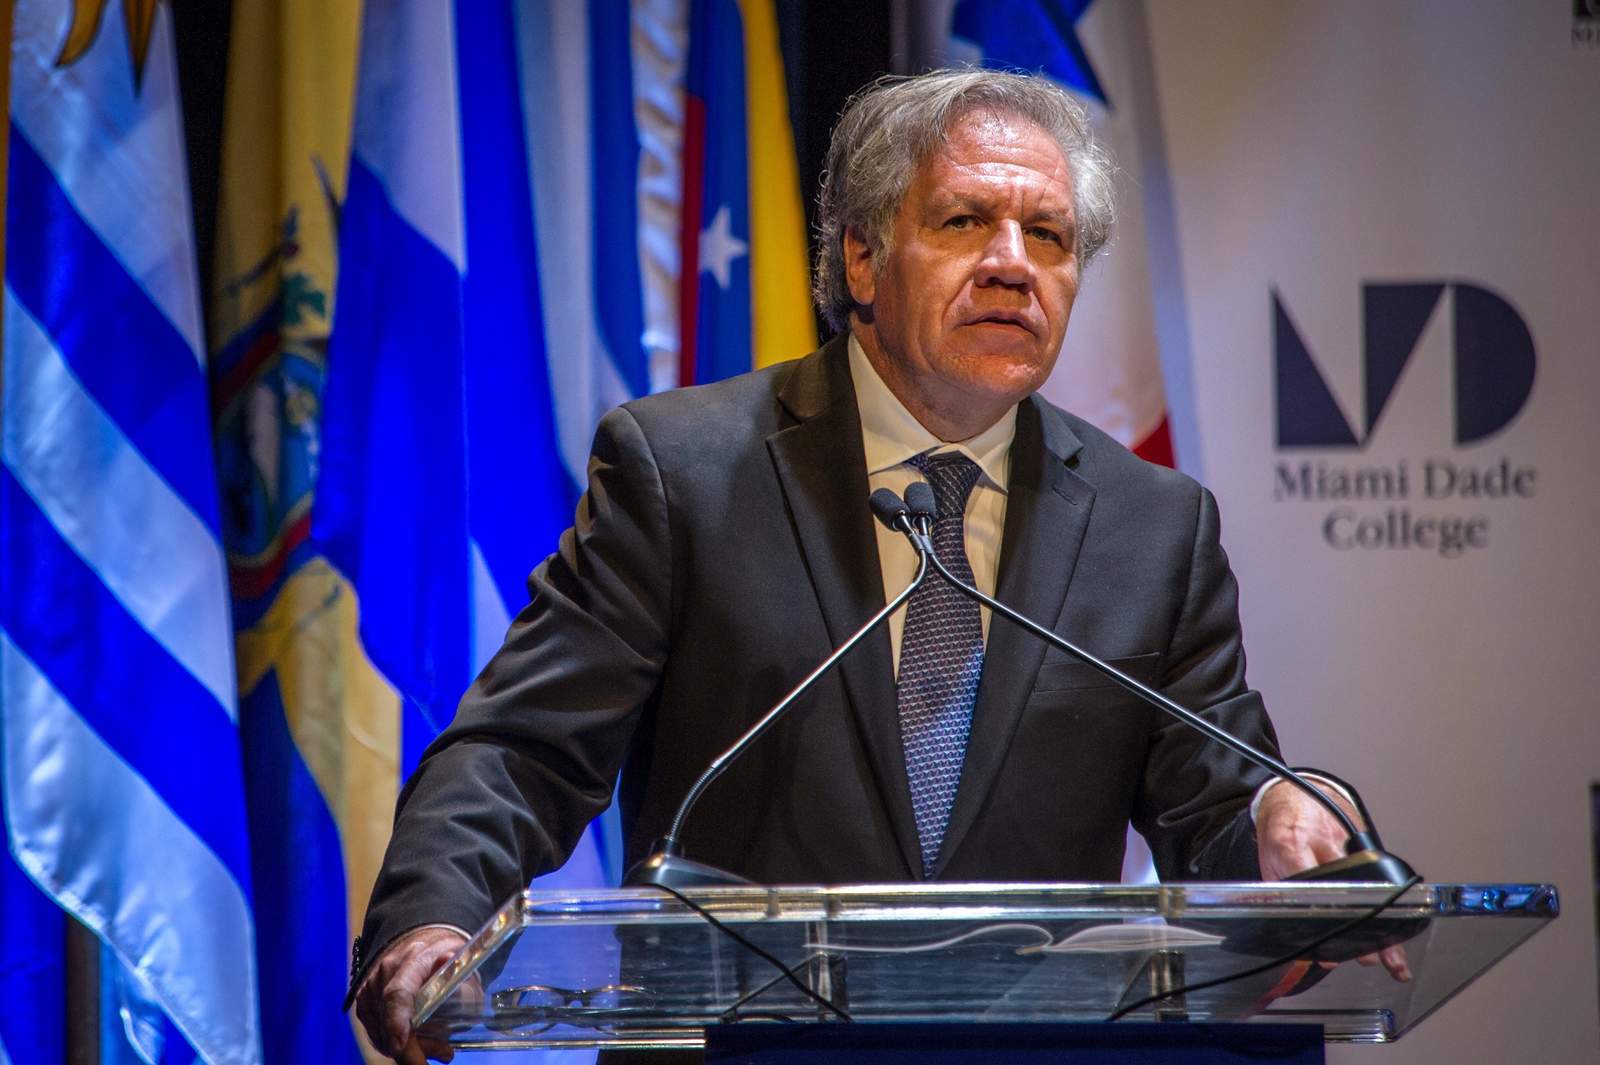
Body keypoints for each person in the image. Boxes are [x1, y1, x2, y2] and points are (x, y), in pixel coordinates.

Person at [350, 69, 1373, 1064]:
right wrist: (432, 919)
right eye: (965, 221)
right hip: (739, 1047)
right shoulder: (686, 472)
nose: (1013, 264)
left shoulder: (1152, 524)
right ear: (863, 260)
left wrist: (1288, 822)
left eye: (1049, 236)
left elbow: (1220, 810)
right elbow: (525, 749)